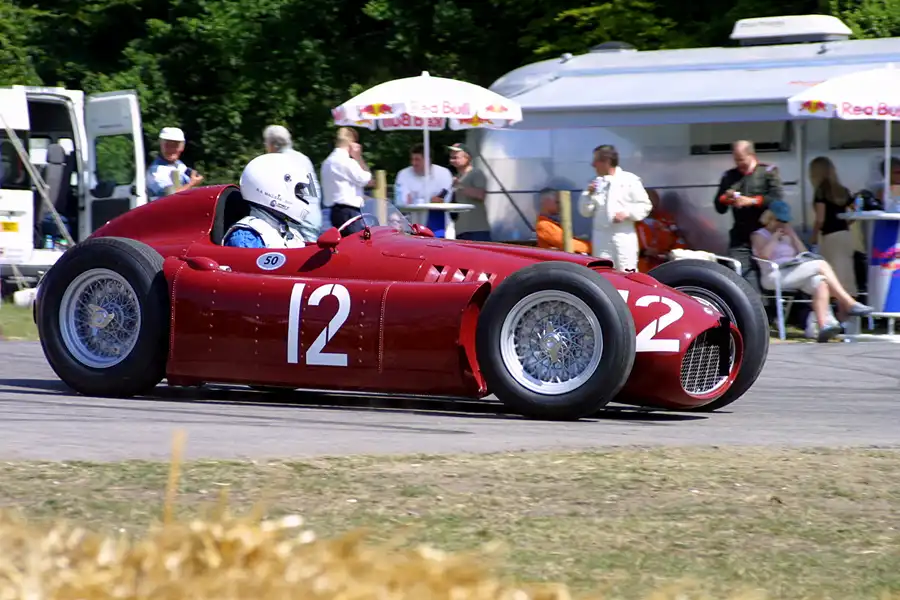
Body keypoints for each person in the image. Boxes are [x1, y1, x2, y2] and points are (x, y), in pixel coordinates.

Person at [750, 200, 873, 343]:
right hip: (773, 275)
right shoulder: (759, 235)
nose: (782, 223)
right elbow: (763, 255)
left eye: (785, 220)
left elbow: (804, 254)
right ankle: (848, 303)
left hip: (794, 271)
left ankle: (823, 326)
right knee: (821, 264)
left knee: (820, 281)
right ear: (769, 218)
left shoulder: (788, 233)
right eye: (779, 220)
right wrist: (775, 238)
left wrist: (793, 236)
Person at [713, 140, 783, 291]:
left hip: (764, 234)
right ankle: (750, 310)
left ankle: (771, 312)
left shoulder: (768, 172)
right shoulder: (730, 176)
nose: (739, 163)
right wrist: (728, 198)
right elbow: (719, 205)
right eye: (736, 159)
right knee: (741, 277)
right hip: (740, 236)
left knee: (768, 277)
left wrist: (751, 201)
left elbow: (777, 200)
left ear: (751, 155)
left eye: (741, 159)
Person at [577, 144, 652, 271]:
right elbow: (585, 212)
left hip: (623, 237)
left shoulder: (629, 180)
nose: (593, 165)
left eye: (596, 161)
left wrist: (627, 213)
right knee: (603, 273)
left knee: (627, 274)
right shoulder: (595, 183)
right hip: (601, 239)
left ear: (606, 161)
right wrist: (588, 194)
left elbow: (645, 206)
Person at [222, 153, 316, 249]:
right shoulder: (248, 236)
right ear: (275, 188)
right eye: (297, 190)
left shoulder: (292, 233)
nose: (301, 196)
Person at [808, 156, 858, 319]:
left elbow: (820, 218)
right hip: (844, 235)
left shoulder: (821, 191)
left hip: (830, 237)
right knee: (846, 278)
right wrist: (845, 222)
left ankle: (841, 318)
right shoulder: (842, 190)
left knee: (832, 278)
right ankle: (848, 319)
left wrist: (814, 236)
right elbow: (855, 211)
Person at [263, 124, 322, 240]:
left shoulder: (277, 161)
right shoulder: (302, 158)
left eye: (266, 143)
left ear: (272, 144)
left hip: (297, 222)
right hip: (313, 216)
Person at [320, 127, 372, 236]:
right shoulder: (347, 162)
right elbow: (366, 179)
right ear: (352, 143)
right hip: (349, 212)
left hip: (332, 211)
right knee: (356, 246)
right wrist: (358, 157)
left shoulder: (327, 162)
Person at [393, 143, 453, 236]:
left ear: (428, 160)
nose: (414, 163)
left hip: (439, 224)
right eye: (412, 159)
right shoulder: (403, 174)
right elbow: (401, 200)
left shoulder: (443, 173)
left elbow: (444, 200)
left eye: (417, 160)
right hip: (412, 225)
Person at [635, 188, 688, 272]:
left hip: (665, 266)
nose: (653, 202)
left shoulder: (667, 220)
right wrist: (643, 252)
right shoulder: (631, 223)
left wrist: (672, 254)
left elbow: (679, 240)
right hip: (640, 268)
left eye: (654, 199)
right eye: (649, 199)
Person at [447, 142, 491, 241]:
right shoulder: (456, 177)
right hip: (460, 230)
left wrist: (460, 187)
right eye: (451, 157)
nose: (453, 159)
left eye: (456, 156)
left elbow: (481, 195)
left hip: (477, 230)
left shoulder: (476, 173)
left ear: (467, 157)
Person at [146, 127, 204, 201]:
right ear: (161, 145)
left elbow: (190, 173)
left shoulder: (178, 164)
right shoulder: (156, 171)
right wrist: (192, 183)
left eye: (175, 145)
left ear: (182, 147)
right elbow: (170, 197)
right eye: (167, 145)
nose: (171, 149)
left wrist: (194, 175)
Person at [535, 188, 592, 254]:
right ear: (545, 201)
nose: (560, 205)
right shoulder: (543, 225)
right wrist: (592, 247)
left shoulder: (551, 223)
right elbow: (567, 244)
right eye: (557, 202)